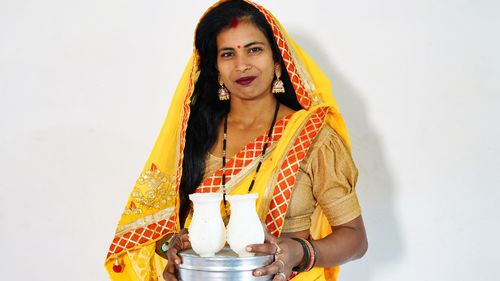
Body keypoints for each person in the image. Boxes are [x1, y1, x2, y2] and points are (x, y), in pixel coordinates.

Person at [104, 0, 367, 280]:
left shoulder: (313, 136)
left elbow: (355, 239)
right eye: (228, 54)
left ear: (278, 61)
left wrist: (299, 252)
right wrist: (173, 247)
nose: (242, 65)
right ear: (216, 68)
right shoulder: (193, 136)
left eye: (254, 50)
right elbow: (159, 235)